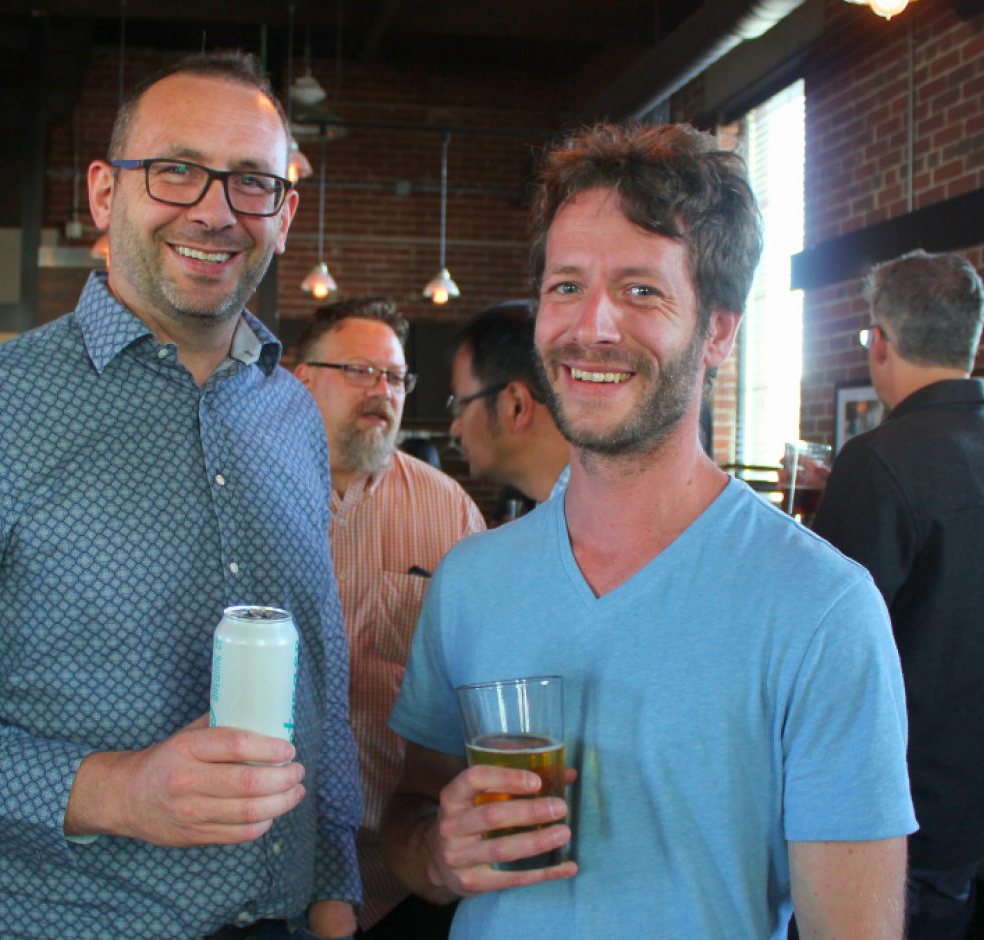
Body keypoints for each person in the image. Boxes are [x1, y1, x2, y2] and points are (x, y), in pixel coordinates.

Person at [0, 51, 362, 940]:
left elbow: (319, 672)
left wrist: (334, 890)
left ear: (285, 214)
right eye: (175, 170)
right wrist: (118, 792)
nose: (214, 209)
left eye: (251, 182)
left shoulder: (293, 415)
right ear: (101, 193)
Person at [380, 123, 917, 940]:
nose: (592, 326)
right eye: (566, 287)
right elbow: (411, 823)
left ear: (720, 330)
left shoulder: (822, 610)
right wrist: (438, 853)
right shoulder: (471, 580)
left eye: (641, 290)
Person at [812, 250, 984, 940]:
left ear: (879, 343)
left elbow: (822, 649)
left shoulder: (879, 459)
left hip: (873, 811)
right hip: (969, 810)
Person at [293, 298, 485, 937]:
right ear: (303, 378)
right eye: (359, 371)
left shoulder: (449, 512)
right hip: (267, 869)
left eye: (395, 377)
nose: (383, 391)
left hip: (401, 873)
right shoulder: (246, 496)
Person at [446, 301, 568, 505]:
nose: (454, 429)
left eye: (461, 405)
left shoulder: (605, 524)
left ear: (516, 406)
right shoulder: (563, 513)